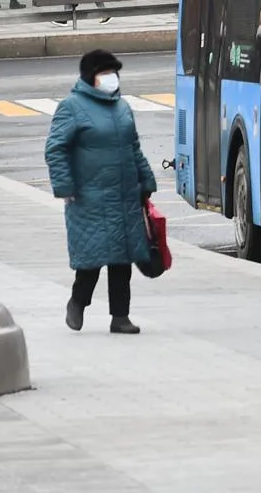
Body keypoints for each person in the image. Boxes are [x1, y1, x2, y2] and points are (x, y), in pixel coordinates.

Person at [45, 49, 156, 335]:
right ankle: (78, 302)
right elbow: (55, 148)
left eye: (114, 73)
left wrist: (146, 179)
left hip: (124, 195)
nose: (111, 79)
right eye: (105, 73)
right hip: (89, 196)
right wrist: (64, 186)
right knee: (92, 258)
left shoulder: (122, 108)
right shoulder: (72, 106)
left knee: (123, 258)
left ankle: (120, 317)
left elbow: (133, 148)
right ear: (90, 77)